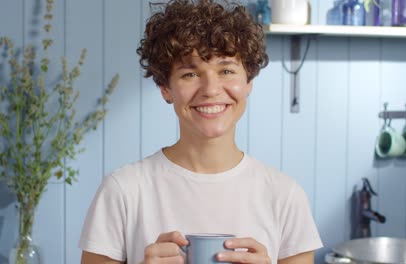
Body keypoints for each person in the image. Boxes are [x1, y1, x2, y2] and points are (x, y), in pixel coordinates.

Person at [79, 0, 322, 263]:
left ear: (248, 82)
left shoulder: (285, 196)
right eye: (190, 74)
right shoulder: (123, 191)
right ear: (165, 88)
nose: (210, 89)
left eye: (226, 70)